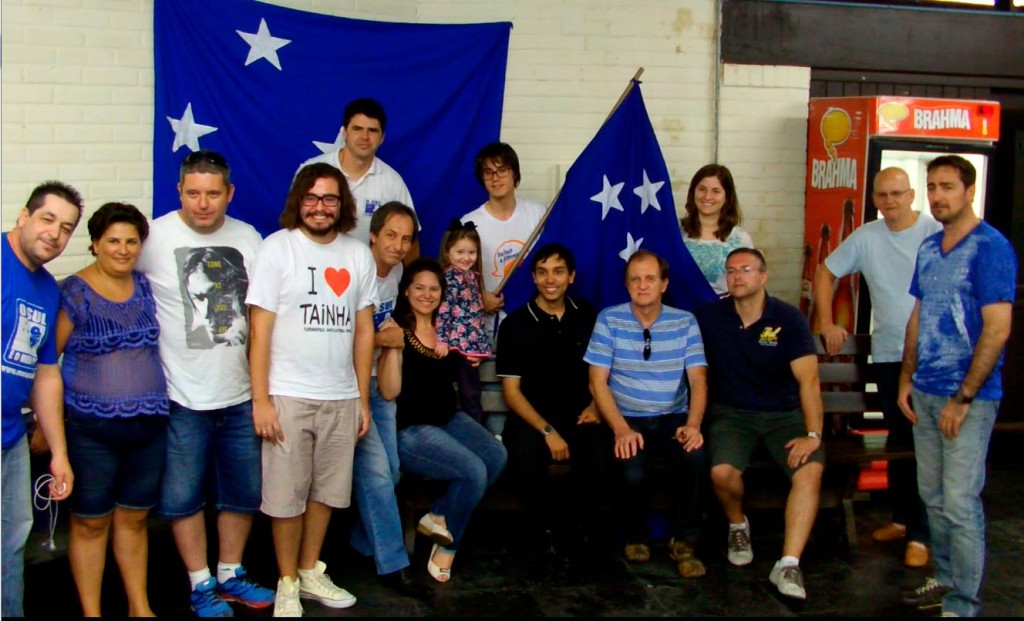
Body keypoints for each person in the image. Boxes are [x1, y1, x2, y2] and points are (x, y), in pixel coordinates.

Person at [137, 150, 273, 616]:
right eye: (193, 193)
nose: (202, 203)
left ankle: (231, 574)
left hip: (241, 393)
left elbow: (265, 314)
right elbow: (112, 281)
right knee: (181, 497)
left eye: (212, 194)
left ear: (229, 193)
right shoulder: (153, 237)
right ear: (179, 191)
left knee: (243, 492)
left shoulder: (250, 238)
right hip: (182, 396)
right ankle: (200, 584)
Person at [247, 163, 376, 617]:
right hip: (287, 394)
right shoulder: (276, 248)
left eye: (330, 198)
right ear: (298, 201)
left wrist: (362, 399)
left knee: (326, 492)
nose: (320, 207)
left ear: (342, 205)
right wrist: (261, 400)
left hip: (341, 396)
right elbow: (259, 330)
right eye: (312, 197)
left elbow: (365, 331)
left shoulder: (358, 255)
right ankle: (286, 582)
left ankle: (308, 571)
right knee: (286, 496)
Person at [897, 155, 1016, 618]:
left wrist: (964, 397)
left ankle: (963, 603)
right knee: (932, 498)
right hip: (925, 390)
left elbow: (998, 328)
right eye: (932, 187)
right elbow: (919, 314)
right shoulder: (930, 247)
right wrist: (907, 376)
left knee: (960, 502)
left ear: (969, 191)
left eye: (947, 186)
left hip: (967, 398)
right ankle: (944, 580)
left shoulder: (991, 248)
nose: (938, 196)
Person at [813, 166, 940, 569]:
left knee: (923, 445)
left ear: (911, 195)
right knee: (900, 438)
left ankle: (921, 534)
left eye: (897, 194)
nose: (890, 201)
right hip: (887, 354)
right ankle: (901, 520)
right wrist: (827, 322)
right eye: (882, 195)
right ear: (873, 199)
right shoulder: (867, 236)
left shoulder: (935, 232)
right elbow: (824, 272)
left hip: (931, 355)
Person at [57, 202, 169, 616]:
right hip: (91, 430)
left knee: (135, 520)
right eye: (113, 241)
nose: (123, 250)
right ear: (95, 244)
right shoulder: (74, 292)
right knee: (91, 522)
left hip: (149, 428)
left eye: (131, 242)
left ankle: (140, 608)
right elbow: (48, 361)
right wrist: (47, 430)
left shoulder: (146, 287)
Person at [694, 247, 824, 601]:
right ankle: (738, 525)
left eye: (746, 269)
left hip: (785, 416)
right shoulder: (709, 317)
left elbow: (809, 382)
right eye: (731, 270)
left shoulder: (789, 318)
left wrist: (813, 435)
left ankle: (789, 563)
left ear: (763, 276)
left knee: (810, 472)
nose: (737, 276)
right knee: (721, 473)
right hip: (732, 415)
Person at [585, 250, 710, 580]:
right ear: (627, 285)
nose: (642, 285)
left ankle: (684, 542)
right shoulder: (609, 319)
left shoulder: (685, 321)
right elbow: (597, 381)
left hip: (674, 416)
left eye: (650, 279)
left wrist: (693, 425)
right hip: (627, 416)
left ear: (664, 284)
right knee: (631, 471)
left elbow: (698, 379)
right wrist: (620, 429)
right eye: (635, 279)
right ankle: (636, 536)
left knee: (697, 459)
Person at [380, 258, 507, 583]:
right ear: (406, 291)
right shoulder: (397, 329)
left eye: (434, 289)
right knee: (473, 471)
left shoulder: (447, 328)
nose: (427, 295)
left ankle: (437, 514)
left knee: (496, 456)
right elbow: (389, 391)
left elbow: (471, 344)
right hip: (411, 431)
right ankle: (450, 547)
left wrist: (470, 357)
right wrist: (393, 350)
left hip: (448, 418)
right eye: (419, 288)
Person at [496, 243, 611, 552]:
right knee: (524, 462)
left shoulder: (587, 315)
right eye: (543, 272)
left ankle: (573, 526)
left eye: (558, 272)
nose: (550, 280)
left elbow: (602, 373)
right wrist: (547, 431)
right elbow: (511, 392)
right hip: (531, 420)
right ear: (533, 277)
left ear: (571, 277)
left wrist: (596, 406)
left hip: (580, 415)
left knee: (600, 458)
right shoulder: (514, 325)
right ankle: (541, 528)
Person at [1, 181, 81, 618]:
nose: (55, 233)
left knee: (11, 546)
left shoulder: (48, 290)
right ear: (23, 217)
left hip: (11, 437)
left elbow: (46, 375)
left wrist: (59, 454)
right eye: (47, 219)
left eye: (66, 228)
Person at [347, 201, 432, 600]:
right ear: (373, 235)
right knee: (378, 473)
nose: (398, 246)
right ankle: (394, 565)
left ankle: (360, 543)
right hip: (350, 386)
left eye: (406, 239)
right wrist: (384, 339)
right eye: (391, 236)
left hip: (379, 384)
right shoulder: (354, 269)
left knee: (392, 471)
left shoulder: (397, 273)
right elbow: (338, 334)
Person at [296, 97, 415, 246]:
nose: (365, 137)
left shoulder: (393, 182)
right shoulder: (310, 171)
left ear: (382, 137)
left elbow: (409, 238)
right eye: (357, 129)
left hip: (368, 261)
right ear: (345, 132)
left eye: (372, 130)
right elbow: (293, 222)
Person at [460, 142, 546, 342]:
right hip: (491, 326)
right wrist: (479, 298)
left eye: (502, 170)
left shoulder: (539, 213)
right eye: (488, 172)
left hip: (536, 318)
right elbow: (456, 278)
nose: (495, 177)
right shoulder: (469, 223)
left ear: (514, 174)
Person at [437, 219, 492, 424]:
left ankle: (475, 426)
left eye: (471, 252)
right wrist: (442, 340)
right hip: (456, 346)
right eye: (460, 252)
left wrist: (481, 347)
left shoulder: (472, 277)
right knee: (469, 393)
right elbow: (444, 310)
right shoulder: (450, 277)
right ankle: (473, 426)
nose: (466, 257)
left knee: (472, 392)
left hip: (470, 345)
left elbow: (475, 316)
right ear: (447, 252)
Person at [679, 164, 754, 297]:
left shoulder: (740, 239)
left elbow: (749, 283)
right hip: (679, 307)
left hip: (724, 308)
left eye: (716, 191)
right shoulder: (675, 232)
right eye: (702, 189)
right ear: (693, 192)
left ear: (727, 197)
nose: (707, 197)